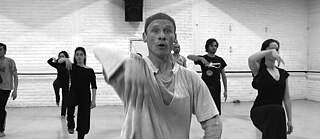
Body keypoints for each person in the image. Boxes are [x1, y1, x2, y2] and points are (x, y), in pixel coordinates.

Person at [94, 12, 222, 139]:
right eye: (155, 31)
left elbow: (214, 124)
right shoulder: (135, 71)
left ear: (175, 37)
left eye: (167, 31)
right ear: (144, 36)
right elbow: (107, 60)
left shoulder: (191, 79)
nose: (162, 36)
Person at [248, 39, 293, 139]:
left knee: (276, 118)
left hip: (277, 113)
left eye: (276, 49)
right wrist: (269, 52)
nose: (274, 52)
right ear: (264, 51)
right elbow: (251, 59)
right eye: (271, 49)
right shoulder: (258, 69)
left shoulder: (283, 73)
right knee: (277, 110)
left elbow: (287, 98)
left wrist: (289, 120)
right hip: (260, 110)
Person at [59, 47, 97, 139]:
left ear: (84, 56)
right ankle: (70, 122)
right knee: (69, 97)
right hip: (74, 93)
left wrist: (93, 100)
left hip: (85, 95)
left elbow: (94, 86)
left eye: (81, 54)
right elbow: (58, 61)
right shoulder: (72, 67)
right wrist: (66, 59)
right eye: (77, 54)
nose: (79, 56)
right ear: (75, 57)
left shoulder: (90, 71)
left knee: (84, 120)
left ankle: (80, 137)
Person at [187, 38, 227, 115]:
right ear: (207, 47)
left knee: (216, 108)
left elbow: (224, 76)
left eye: (215, 46)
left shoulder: (220, 60)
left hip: (216, 86)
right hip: (205, 86)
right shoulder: (203, 58)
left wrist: (226, 90)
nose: (214, 47)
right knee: (205, 107)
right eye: (211, 45)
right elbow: (189, 56)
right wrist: (200, 58)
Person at [0, 43, 18, 137]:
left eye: (0, 49)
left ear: (5, 51)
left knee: (0, 108)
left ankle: (1, 130)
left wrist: (15, 90)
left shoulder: (10, 61)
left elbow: (15, 76)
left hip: (5, 88)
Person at [47, 51, 70, 116]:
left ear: (66, 57)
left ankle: (63, 114)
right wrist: (52, 58)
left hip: (66, 82)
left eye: (63, 56)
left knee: (65, 98)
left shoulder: (68, 63)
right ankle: (57, 97)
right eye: (60, 56)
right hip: (59, 81)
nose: (61, 58)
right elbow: (49, 62)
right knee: (55, 84)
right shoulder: (58, 64)